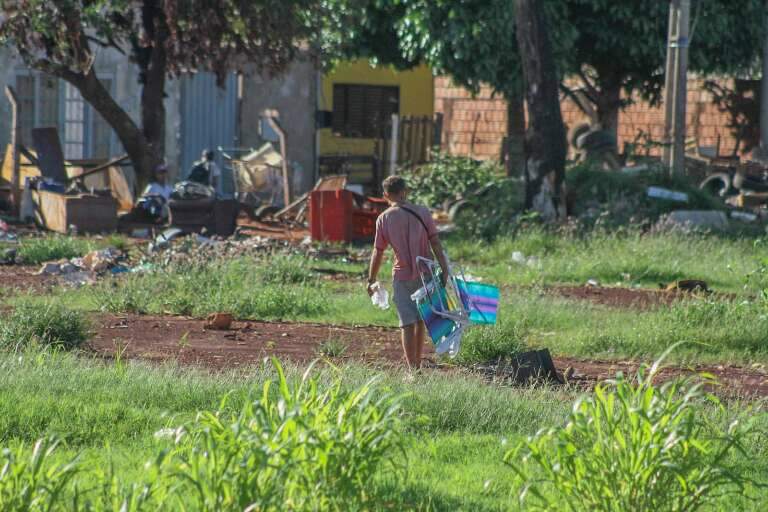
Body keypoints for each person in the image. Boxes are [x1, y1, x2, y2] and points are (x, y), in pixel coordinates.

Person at [367, 176, 450, 370]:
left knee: (406, 323)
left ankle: (412, 370)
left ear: (386, 195)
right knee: (421, 319)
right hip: (425, 274)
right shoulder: (422, 212)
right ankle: (418, 364)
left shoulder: (384, 218)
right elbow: (435, 242)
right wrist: (444, 268)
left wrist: (371, 278)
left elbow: (378, 251)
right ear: (405, 192)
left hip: (402, 275)